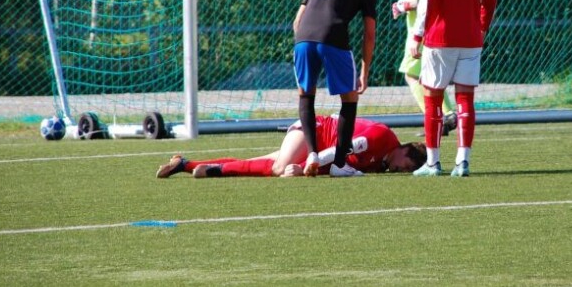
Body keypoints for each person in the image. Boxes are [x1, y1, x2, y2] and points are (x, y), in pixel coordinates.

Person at [408, 0, 498, 177]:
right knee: (465, 100)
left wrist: (416, 36)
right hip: (470, 39)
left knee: (433, 99)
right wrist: (481, 27)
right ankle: (463, 162)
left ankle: (433, 163)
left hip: (439, 38)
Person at [293, 0, 377, 178]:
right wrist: (364, 72)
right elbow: (369, 34)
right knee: (349, 99)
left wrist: (303, 42)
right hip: (332, 37)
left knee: (305, 95)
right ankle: (339, 164)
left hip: (302, 38)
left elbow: (297, 20)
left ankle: (313, 154)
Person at [155, 115, 426, 178]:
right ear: (405, 151)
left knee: (264, 162)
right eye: (406, 166)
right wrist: (311, 163)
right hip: (313, 130)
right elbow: (340, 150)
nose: (401, 170)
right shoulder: (382, 139)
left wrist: (311, 169)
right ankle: (208, 170)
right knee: (279, 167)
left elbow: (341, 168)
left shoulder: (382, 162)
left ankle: (185, 164)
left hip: (319, 150)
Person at [391, 0, 457, 137]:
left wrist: (404, 5)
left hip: (424, 31)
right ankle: (445, 117)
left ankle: (441, 117)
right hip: (423, 30)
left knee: (411, 74)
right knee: (429, 78)